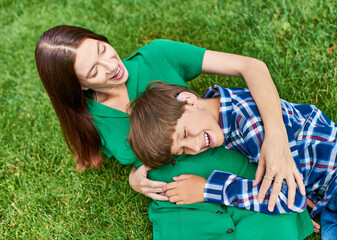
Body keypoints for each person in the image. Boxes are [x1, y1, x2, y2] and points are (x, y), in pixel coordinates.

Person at [35, 25, 313, 239]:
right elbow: (129, 156)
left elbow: (251, 66)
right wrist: (135, 180)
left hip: (238, 179)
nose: (110, 66)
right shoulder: (88, 120)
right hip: (178, 205)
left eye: (101, 49)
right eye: (93, 70)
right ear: (79, 86)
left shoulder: (157, 55)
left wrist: (276, 137)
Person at [128, 82, 337, 239]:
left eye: (186, 134)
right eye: (184, 151)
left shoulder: (248, 120)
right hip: (325, 198)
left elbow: (288, 199)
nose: (195, 146)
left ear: (189, 100)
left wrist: (208, 189)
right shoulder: (219, 119)